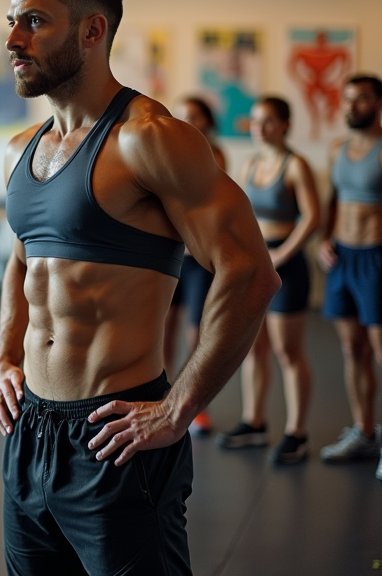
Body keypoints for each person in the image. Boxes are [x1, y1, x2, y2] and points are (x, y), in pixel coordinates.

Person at [0, 0, 279, 576]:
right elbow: (21, 258)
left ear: (92, 31)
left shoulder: (150, 137)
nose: (12, 39)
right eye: (12, 20)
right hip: (30, 432)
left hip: (116, 436)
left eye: (34, 21)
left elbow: (250, 272)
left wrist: (179, 408)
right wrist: (3, 358)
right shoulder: (18, 152)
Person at [217, 97, 320, 464]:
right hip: (256, 263)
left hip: (286, 265)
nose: (259, 128)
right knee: (253, 348)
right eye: (256, 121)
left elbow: (312, 217)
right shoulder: (251, 164)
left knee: (286, 352)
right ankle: (254, 422)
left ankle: (297, 432)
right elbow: (240, 212)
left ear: (285, 124)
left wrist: (281, 255)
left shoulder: (296, 166)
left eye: (268, 121)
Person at [318, 74, 382, 476]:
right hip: (342, 259)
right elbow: (333, 199)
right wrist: (325, 239)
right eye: (347, 100)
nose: (351, 106)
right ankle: (364, 431)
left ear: (377, 103)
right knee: (352, 350)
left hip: (377, 258)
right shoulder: (337, 148)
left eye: (360, 99)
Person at [163, 96, 226, 435]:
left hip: (199, 259)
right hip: (169, 256)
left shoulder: (215, 156)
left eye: (195, 116)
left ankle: (195, 405)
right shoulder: (165, 151)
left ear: (207, 122)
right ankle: (162, 396)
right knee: (164, 329)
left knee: (195, 333)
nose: (188, 121)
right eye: (182, 115)